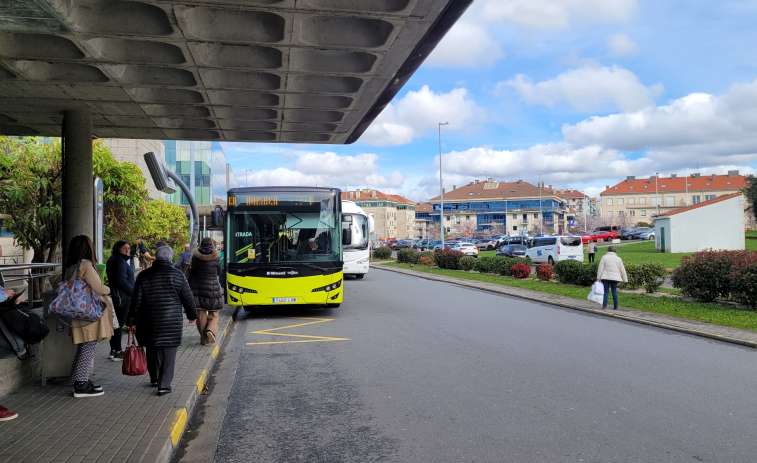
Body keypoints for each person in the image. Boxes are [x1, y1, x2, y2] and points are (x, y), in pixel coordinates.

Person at [127, 246, 197, 396]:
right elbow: (188, 298)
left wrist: (131, 320)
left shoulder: (144, 276)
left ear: (156, 257)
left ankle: (154, 378)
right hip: (171, 322)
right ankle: (163, 385)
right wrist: (192, 315)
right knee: (169, 353)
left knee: (152, 349)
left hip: (148, 320)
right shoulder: (178, 275)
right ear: (170, 258)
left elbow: (136, 300)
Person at [64, 235, 115, 398]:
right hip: (88, 312)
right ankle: (81, 384)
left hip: (77, 310)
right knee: (89, 345)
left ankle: (79, 378)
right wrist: (109, 289)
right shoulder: (85, 265)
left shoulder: (70, 266)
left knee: (83, 345)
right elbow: (98, 288)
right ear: (88, 249)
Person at [189, 238, 223, 345]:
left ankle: (204, 339)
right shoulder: (216, 258)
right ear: (212, 245)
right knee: (214, 311)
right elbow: (218, 272)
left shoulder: (195, 257)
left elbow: (192, 270)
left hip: (197, 288)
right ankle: (211, 330)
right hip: (212, 287)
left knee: (201, 313)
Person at [105, 240, 134, 361]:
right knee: (118, 324)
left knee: (114, 324)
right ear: (118, 249)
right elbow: (121, 280)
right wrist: (134, 292)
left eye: (128, 248)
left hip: (116, 296)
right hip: (121, 298)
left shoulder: (114, 259)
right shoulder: (119, 261)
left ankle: (113, 349)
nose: (127, 250)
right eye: (124, 248)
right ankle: (118, 351)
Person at [596, 246, 628, 310]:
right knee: (614, 291)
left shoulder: (604, 257)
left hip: (605, 277)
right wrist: (625, 279)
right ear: (614, 251)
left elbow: (600, 268)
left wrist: (598, 278)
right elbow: (622, 269)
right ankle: (616, 306)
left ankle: (604, 305)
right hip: (615, 277)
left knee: (606, 291)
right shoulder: (618, 259)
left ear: (607, 250)